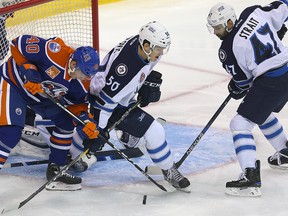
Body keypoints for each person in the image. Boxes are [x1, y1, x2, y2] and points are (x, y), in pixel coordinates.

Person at [70, 21, 191, 192]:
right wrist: (100, 130)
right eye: (158, 49)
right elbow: (104, 104)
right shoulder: (125, 70)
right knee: (94, 135)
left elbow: (142, 70)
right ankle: (73, 155)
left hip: (119, 99)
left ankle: (169, 170)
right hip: (100, 102)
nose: (161, 53)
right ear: (147, 46)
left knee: (155, 131)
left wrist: (146, 82)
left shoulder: (144, 47)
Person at [206, 1, 288, 197]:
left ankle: (249, 177)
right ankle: (285, 153)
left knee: (240, 123)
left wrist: (235, 87)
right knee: (259, 112)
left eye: (218, 27)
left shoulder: (227, 49)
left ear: (228, 22)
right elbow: (283, 5)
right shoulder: (254, 12)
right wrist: (277, 31)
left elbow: (243, 82)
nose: (216, 32)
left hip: (272, 80)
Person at [0, 34, 100, 191]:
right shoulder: (54, 52)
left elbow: (77, 106)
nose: (86, 78)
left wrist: (86, 122)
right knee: (10, 133)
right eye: (83, 74)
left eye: (89, 75)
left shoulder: (83, 82)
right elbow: (16, 44)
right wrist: (29, 71)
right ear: (73, 64)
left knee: (66, 124)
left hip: (41, 97)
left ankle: (56, 169)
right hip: (14, 83)